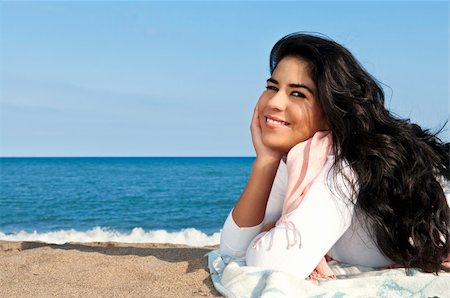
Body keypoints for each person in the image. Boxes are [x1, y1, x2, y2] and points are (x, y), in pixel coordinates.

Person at [219, 32, 450, 281]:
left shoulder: (341, 165)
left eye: (298, 94)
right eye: (272, 87)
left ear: (331, 110)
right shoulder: (300, 159)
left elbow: (274, 265)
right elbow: (233, 249)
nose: (274, 102)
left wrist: (275, 234)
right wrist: (265, 162)